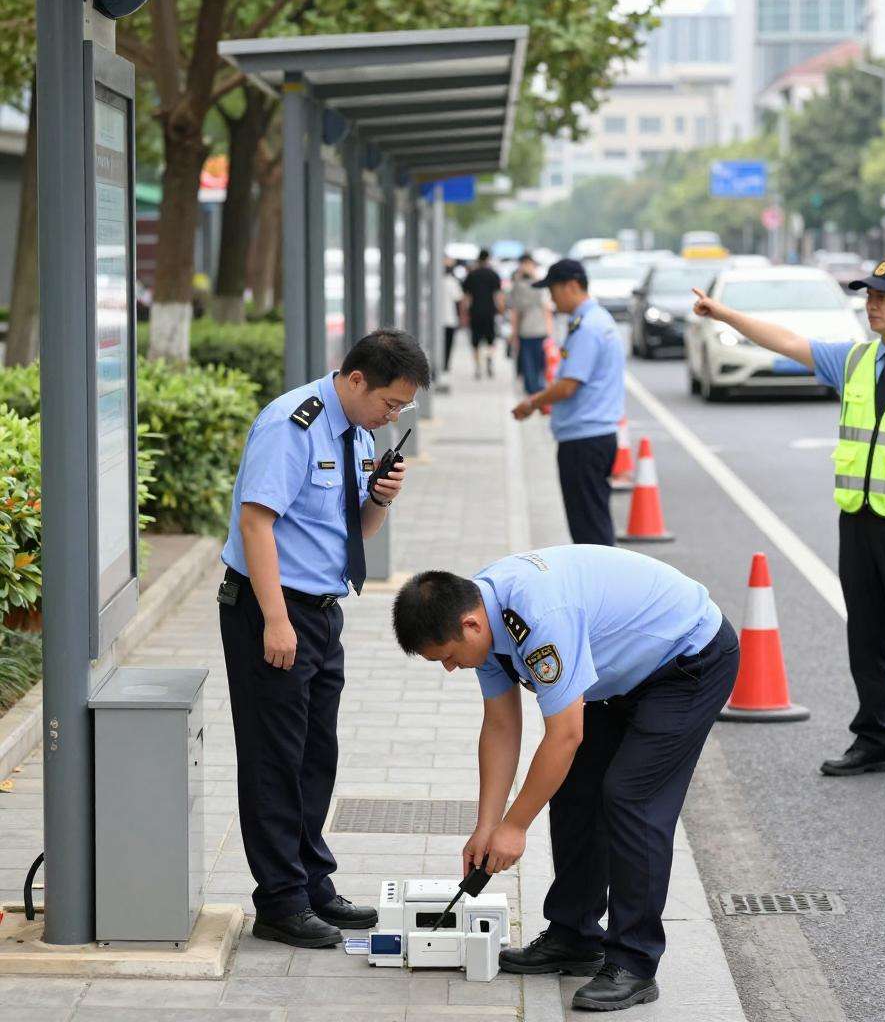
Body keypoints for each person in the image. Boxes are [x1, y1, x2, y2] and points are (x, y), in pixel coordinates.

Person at [392, 545, 739, 1012]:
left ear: (470, 625)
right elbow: (500, 725)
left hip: (687, 660)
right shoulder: (480, 614)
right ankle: (574, 937)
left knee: (630, 797)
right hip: (622, 675)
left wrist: (515, 827)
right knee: (575, 787)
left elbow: (565, 735)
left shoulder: (536, 617)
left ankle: (634, 963)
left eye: (448, 657)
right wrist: (487, 825)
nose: (450, 668)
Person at [692, 256, 885, 786]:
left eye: (883, 296)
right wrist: (724, 313)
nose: (872, 304)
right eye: (868, 295)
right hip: (858, 523)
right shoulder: (856, 359)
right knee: (865, 638)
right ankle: (873, 740)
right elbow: (785, 342)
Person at [219, 328, 431, 948]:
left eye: (403, 408)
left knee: (316, 754)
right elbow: (255, 523)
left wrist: (381, 500)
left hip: (320, 612)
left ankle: (312, 882)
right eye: (390, 402)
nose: (393, 417)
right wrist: (275, 618)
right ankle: (280, 901)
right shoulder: (293, 424)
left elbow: (354, 531)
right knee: (274, 757)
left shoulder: (359, 432)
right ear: (355, 379)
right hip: (272, 609)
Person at [512, 259, 624, 547]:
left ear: (571, 286)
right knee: (594, 520)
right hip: (593, 436)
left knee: (589, 529)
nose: (551, 299)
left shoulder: (588, 328)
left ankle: (600, 575)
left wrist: (532, 402)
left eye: (553, 291)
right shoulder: (597, 320)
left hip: (584, 441)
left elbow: (568, 385)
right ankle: (602, 571)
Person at [508, 252, 551, 396]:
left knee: (540, 364)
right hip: (525, 332)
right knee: (528, 365)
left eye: (529, 264)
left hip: (540, 330)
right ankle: (533, 393)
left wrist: (549, 331)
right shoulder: (517, 286)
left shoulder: (540, 285)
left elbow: (547, 309)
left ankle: (538, 392)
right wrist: (514, 334)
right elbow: (515, 312)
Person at [461, 248, 504, 379]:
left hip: (475, 312)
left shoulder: (471, 275)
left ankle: (478, 367)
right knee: (491, 339)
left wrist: (464, 313)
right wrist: (501, 309)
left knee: (475, 341)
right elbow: (498, 295)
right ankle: (489, 359)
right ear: (488, 259)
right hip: (490, 312)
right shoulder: (493, 275)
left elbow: (466, 297)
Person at [442, 257, 463, 374]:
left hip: (439, 321)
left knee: (441, 343)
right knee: (448, 343)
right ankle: (445, 364)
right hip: (449, 319)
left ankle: (442, 363)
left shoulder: (435, 280)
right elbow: (459, 299)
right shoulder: (452, 281)